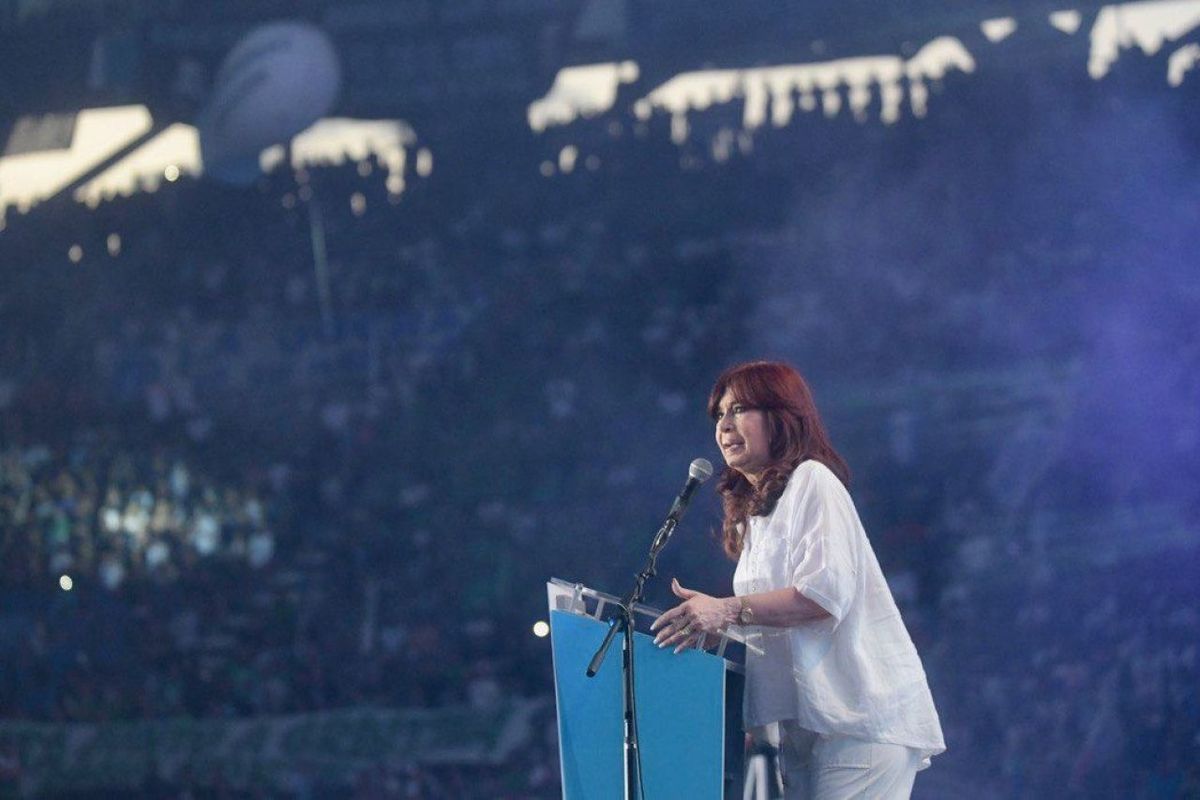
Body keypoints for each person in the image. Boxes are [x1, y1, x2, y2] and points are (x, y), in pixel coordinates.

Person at [650, 360, 945, 799]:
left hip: (859, 722)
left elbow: (823, 596)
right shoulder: (759, 513)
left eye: (739, 409)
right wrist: (719, 624)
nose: (724, 425)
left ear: (782, 416)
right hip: (804, 732)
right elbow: (775, 617)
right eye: (719, 414)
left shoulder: (813, 481)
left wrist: (727, 609)